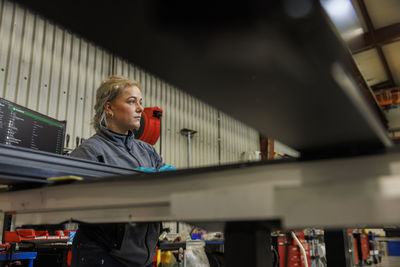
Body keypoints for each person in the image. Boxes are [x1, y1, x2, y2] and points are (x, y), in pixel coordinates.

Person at [70, 75, 170, 267]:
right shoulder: (90, 152)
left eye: (140, 102)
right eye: (132, 101)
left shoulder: (147, 151)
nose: (141, 108)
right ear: (109, 108)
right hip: (102, 256)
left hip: (143, 258)